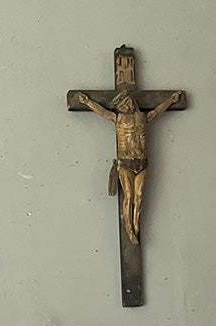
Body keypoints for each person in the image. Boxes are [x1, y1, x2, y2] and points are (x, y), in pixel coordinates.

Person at [74, 88, 183, 244]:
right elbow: (103, 112)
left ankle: (136, 225)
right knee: (129, 196)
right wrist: (87, 102)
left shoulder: (143, 117)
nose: (126, 107)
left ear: (132, 101)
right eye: (123, 106)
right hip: (125, 162)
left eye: (127, 103)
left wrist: (171, 100)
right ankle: (129, 229)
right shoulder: (118, 119)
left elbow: (158, 111)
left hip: (142, 161)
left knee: (139, 196)